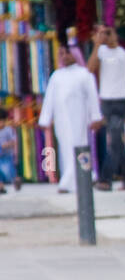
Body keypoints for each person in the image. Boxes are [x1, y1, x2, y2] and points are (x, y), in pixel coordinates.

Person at [38, 44, 103, 194]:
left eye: (67, 53)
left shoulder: (84, 74)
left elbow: (93, 97)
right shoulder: (56, 76)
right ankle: (85, 177)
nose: (64, 56)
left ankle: (69, 182)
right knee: (65, 149)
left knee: (79, 146)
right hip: (62, 119)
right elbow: (49, 99)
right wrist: (45, 119)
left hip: (79, 117)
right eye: (61, 53)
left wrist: (96, 117)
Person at [88, 24, 125, 191]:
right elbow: (90, 68)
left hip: (121, 101)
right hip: (107, 101)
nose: (107, 36)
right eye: (104, 34)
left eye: (109, 33)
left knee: (115, 140)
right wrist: (97, 43)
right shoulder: (101, 52)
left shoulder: (124, 53)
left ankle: (105, 179)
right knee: (117, 142)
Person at [0, 106, 19, 193]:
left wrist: (6, 145)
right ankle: (1, 187)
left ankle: (16, 180)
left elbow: (14, 141)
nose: (1, 123)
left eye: (2, 121)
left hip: (7, 155)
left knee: (11, 171)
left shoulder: (8, 130)